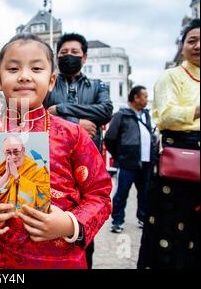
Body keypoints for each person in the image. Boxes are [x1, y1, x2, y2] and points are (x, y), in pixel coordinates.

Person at [0, 33, 112, 269]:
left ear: (51, 81)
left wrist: (70, 224)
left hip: (61, 259)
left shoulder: (73, 135)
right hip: (0, 261)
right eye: (13, 68)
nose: (24, 76)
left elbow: (99, 193)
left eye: (36, 68)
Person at [42, 32, 113, 268]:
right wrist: (78, 123)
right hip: (54, 164)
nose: (69, 57)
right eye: (63, 53)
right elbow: (42, 113)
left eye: (74, 53)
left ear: (84, 57)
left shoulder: (97, 85)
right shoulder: (49, 84)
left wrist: (61, 109)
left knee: (84, 227)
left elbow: (105, 111)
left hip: (87, 165)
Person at [138, 19, 200, 269]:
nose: (197, 45)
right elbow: (166, 115)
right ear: (183, 46)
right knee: (171, 227)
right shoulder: (172, 76)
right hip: (179, 160)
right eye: (192, 40)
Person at [105, 86, 157, 233]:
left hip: (146, 162)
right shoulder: (122, 115)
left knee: (145, 193)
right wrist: (119, 155)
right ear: (136, 98)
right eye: (145, 96)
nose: (147, 99)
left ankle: (142, 218)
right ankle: (117, 220)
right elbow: (110, 138)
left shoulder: (146, 115)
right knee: (122, 193)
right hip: (128, 162)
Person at [0, 135, 50, 213]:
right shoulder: (3, 167)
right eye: (8, 153)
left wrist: (17, 176)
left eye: (16, 152)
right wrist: (7, 174)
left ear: (23, 150)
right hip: (4, 218)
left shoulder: (37, 168)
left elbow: (44, 200)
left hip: (28, 219)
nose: (13, 157)